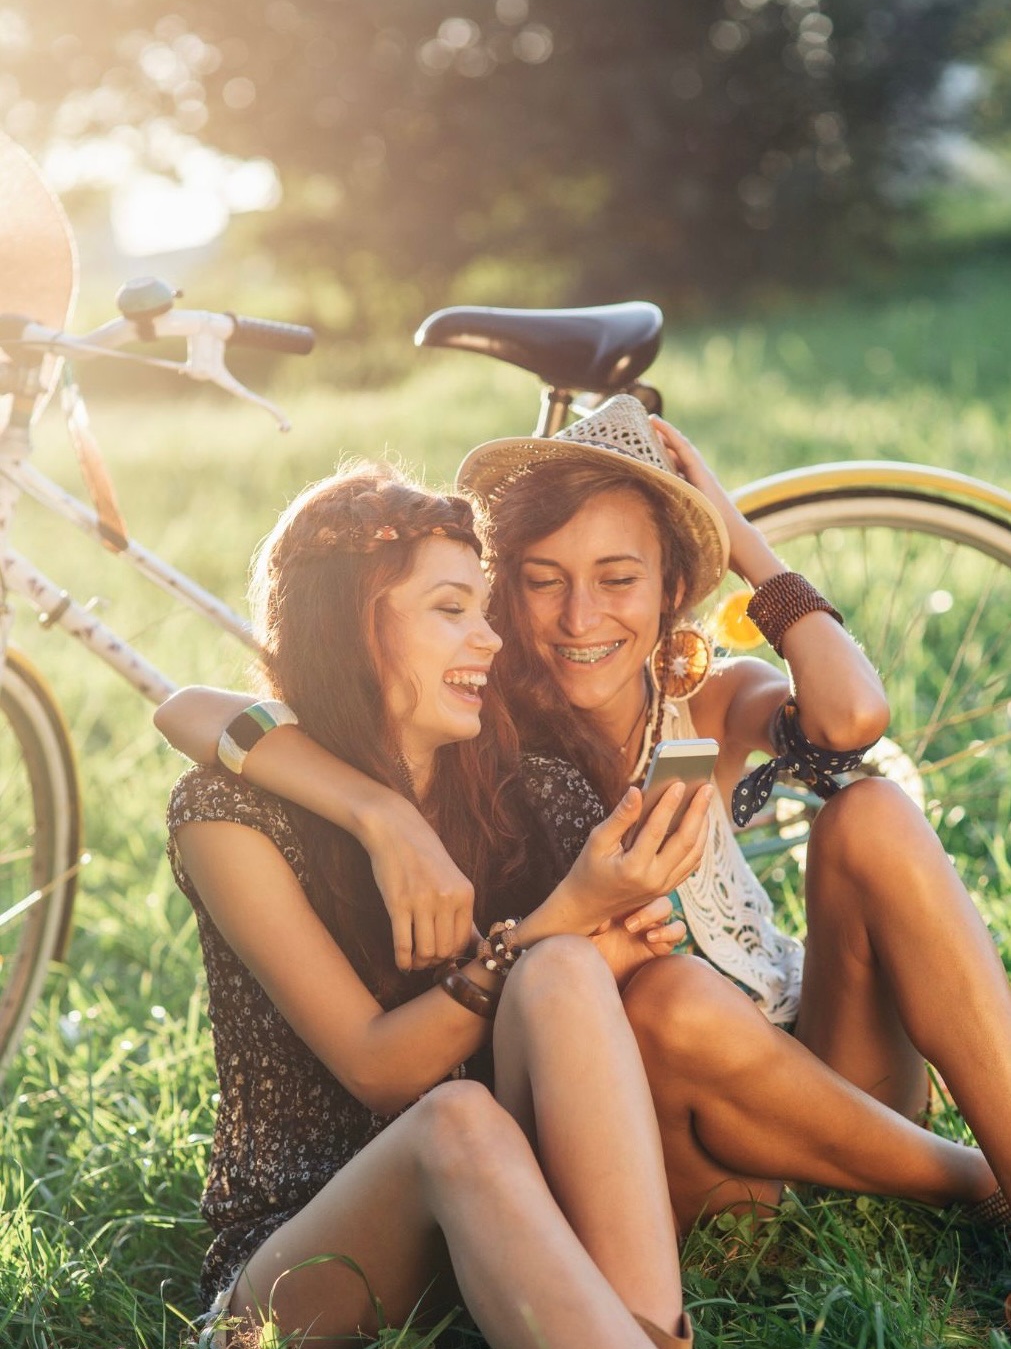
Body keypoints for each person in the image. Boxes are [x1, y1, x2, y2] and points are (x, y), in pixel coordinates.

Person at [158, 464, 867, 1349]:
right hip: (295, 1280)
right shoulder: (236, 816)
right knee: (456, 1122)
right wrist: (388, 817)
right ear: (354, 622)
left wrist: (590, 931)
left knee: (566, 978)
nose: (489, 637)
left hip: (502, 1251)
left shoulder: (517, 775)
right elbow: (383, 1074)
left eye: (485, 609)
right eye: (452, 609)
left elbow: (588, 984)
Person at [156, 400, 1010, 1237]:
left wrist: (737, 535)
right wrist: (382, 813)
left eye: (618, 579)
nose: (580, 618)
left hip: (833, 1065)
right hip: (691, 1132)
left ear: (672, 588)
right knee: (667, 1001)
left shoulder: (704, 702)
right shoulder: (483, 726)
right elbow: (191, 709)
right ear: (502, 593)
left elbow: (853, 718)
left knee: (871, 812)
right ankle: (968, 1184)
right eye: (542, 582)